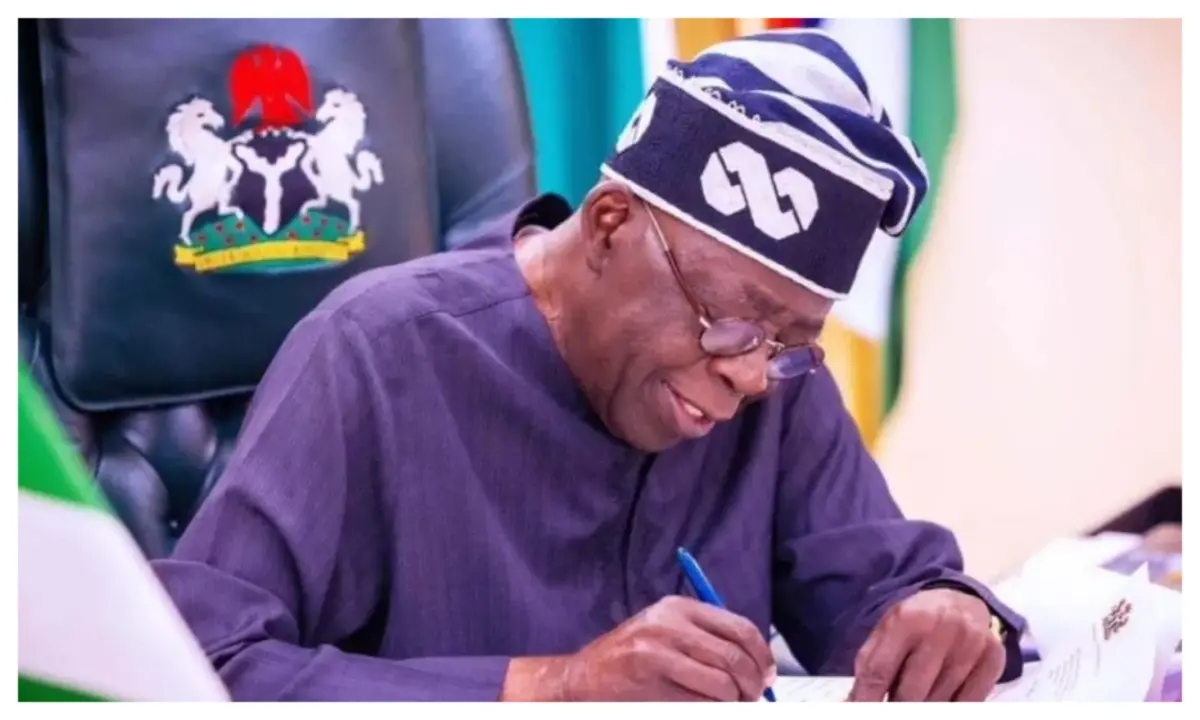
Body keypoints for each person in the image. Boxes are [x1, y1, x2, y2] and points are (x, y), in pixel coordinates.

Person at [153, 30, 1027, 702]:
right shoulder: (378, 352)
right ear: (610, 226)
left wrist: (944, 610)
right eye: (730, 325)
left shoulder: (771, 374)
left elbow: (882, 584)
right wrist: (553, 688)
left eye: (788, 341)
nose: (753, 377)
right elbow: (195, 668)